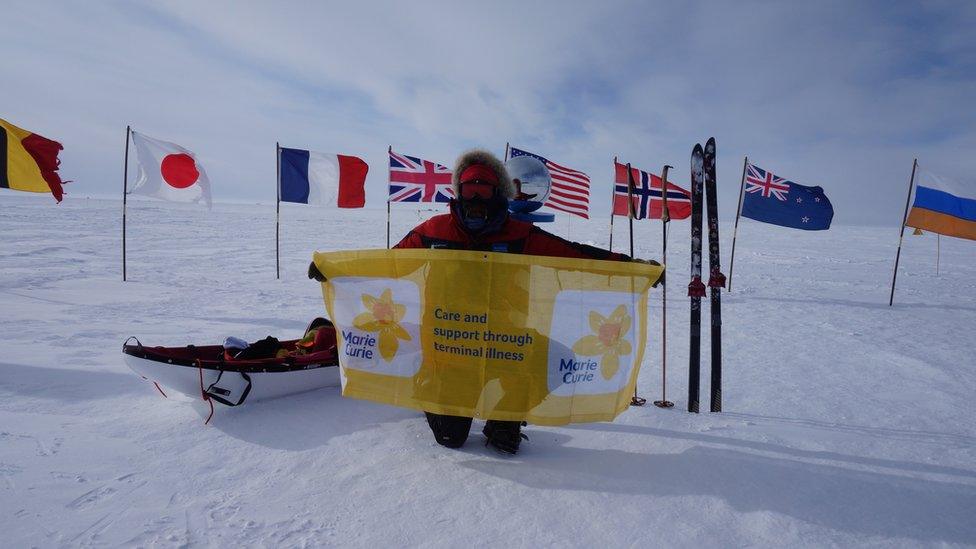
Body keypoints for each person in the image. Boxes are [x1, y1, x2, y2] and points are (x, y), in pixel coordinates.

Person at [391, 149, 649, 454]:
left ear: (498, 193)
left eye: (483, 190)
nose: (475, 199)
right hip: (451, 347)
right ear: (458, 192)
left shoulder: (518, 234)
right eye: (468, 190)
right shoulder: (433, 232)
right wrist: (336, 272)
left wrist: (632, 267)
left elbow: (574, 255)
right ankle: (430, 387)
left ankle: (504, 418)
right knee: (451, 438)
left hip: (504, 342)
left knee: (553, 360)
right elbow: (390, 264)